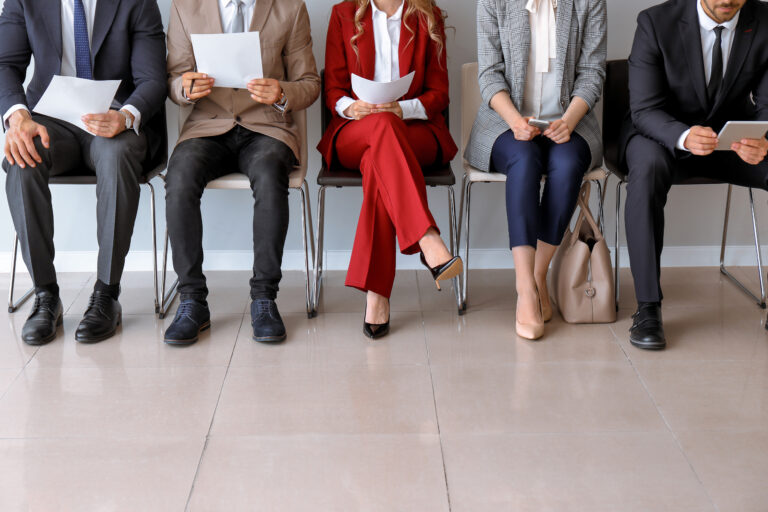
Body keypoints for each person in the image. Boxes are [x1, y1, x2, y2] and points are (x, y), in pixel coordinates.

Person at [0, 0, 167, 345]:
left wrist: (126, 116)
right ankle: (45, 294)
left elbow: (152, 78)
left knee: (117, 154)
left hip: (114, 119)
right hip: (50, 121)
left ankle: (106, 293)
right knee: (23, 156)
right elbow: (5, 63)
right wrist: (17, 116)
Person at [164, 0, 320, 346]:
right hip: (207, 126)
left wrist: (282, 92)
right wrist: (184, 88)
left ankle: (264, 298)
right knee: (179, 176)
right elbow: (174, 79)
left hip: (267, 127)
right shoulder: (185, 8)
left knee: (270, 173)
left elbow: (309, 83)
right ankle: (192, 299)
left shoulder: (290, 9)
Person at [621, 0, 768, 351]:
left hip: (730, 142)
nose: (726, 0)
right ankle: (648, 308)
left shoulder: (764, 21)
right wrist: (684, 136)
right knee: (647, 168)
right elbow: (644, 109)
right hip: (662, 136)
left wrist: (764, 139)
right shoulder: (655, 22)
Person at [318, 0, 462, 339]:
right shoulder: (343, 13)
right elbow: (333, 89)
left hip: (416, 131)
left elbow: (439, 93)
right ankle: (426, 237)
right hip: (355, 131)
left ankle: (377, 295)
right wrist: (351, 107)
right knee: (382, 131)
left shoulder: (427, 15)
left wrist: (402, 109)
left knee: (379, 161)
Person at [466, 0, 607, 340]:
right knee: (525, 159)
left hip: (570, 122)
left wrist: (569, 120)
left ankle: (536, 276)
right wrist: (515, 120)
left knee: (568, 163)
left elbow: (592, 73)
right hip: (505, 122)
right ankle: (525, 289)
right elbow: (489, 74)